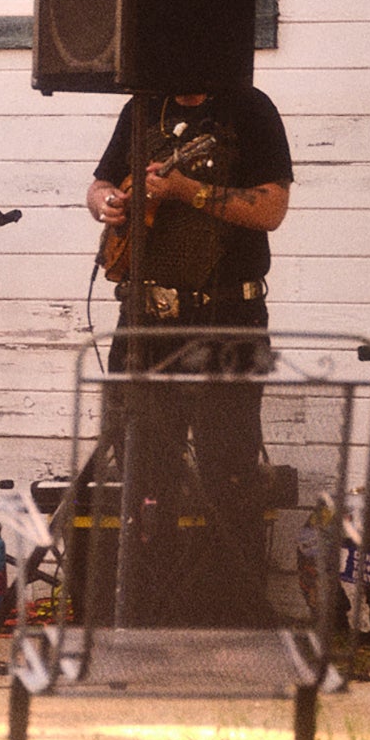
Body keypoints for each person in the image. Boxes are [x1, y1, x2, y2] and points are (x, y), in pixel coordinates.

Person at [85, 87, 293, 625]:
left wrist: (187, 190)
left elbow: (271, 208)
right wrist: (105, 200)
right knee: (144, 467)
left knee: (229, 466)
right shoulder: (142, 107)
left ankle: (231, 611)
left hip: (226, 315)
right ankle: (148, 609)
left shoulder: (249, 109)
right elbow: (101, 180)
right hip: (146, 317)